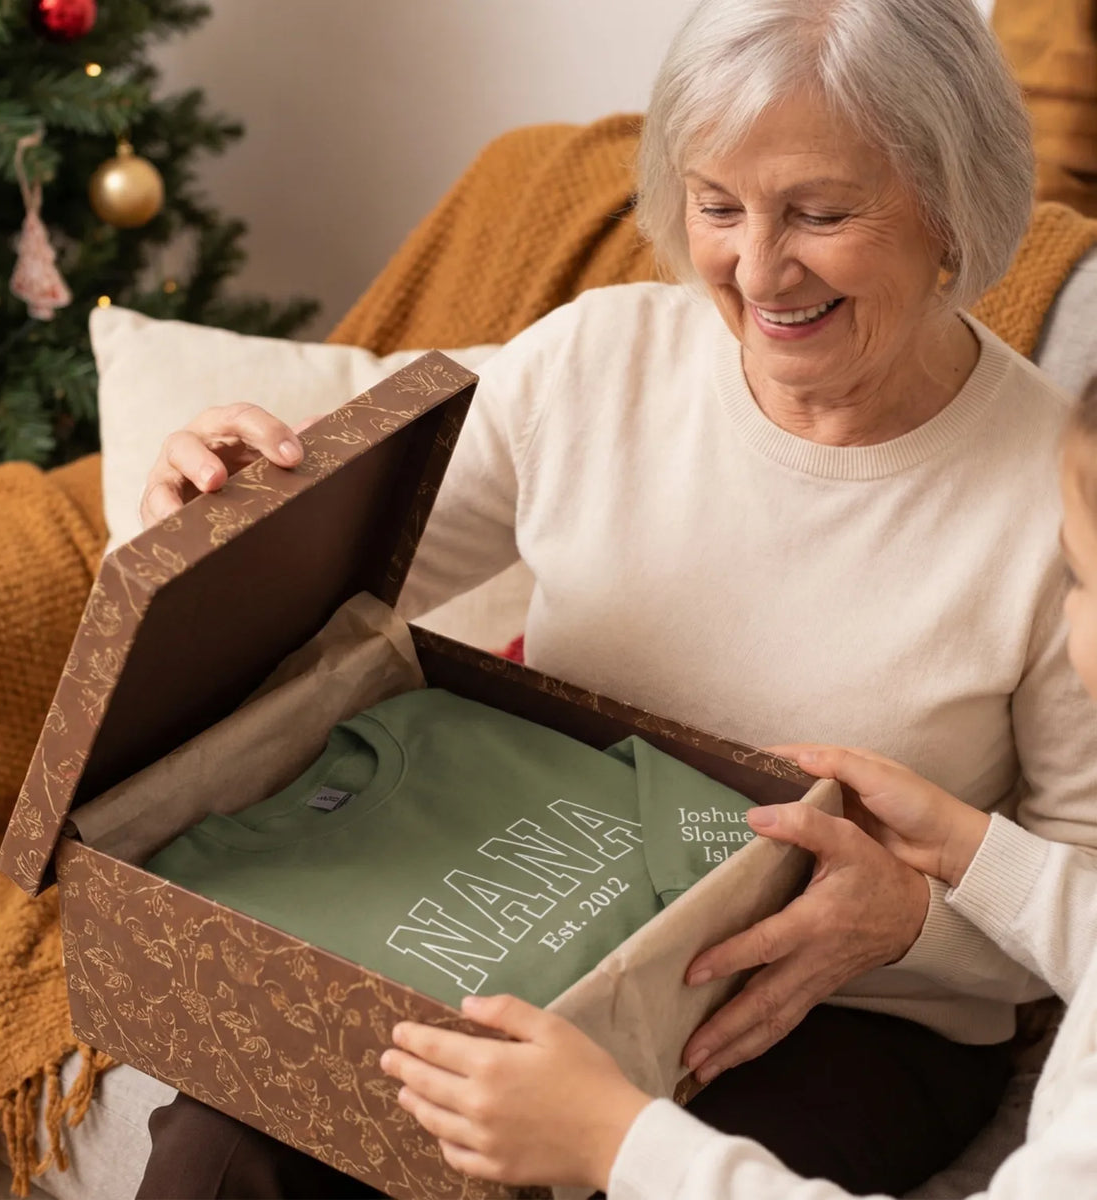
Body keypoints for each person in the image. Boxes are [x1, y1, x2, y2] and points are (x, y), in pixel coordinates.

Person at [135, 1, 1097, 1195]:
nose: (758, 269)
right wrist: (217, 517)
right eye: (719, 206)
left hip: (837, 1014)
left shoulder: (1065, 491)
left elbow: (1084, 884)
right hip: (516, 919)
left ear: (952, 205)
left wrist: (909, 923)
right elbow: (320, 601)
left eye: (822, 212)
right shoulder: (594, 361)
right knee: (229, 1140)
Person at [376, 384, 1097, 1199]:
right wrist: (978, 854)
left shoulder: (1027, 451)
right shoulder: (590, 367)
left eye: (1077, 575)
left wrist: (619, 1146)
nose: (761, 273)